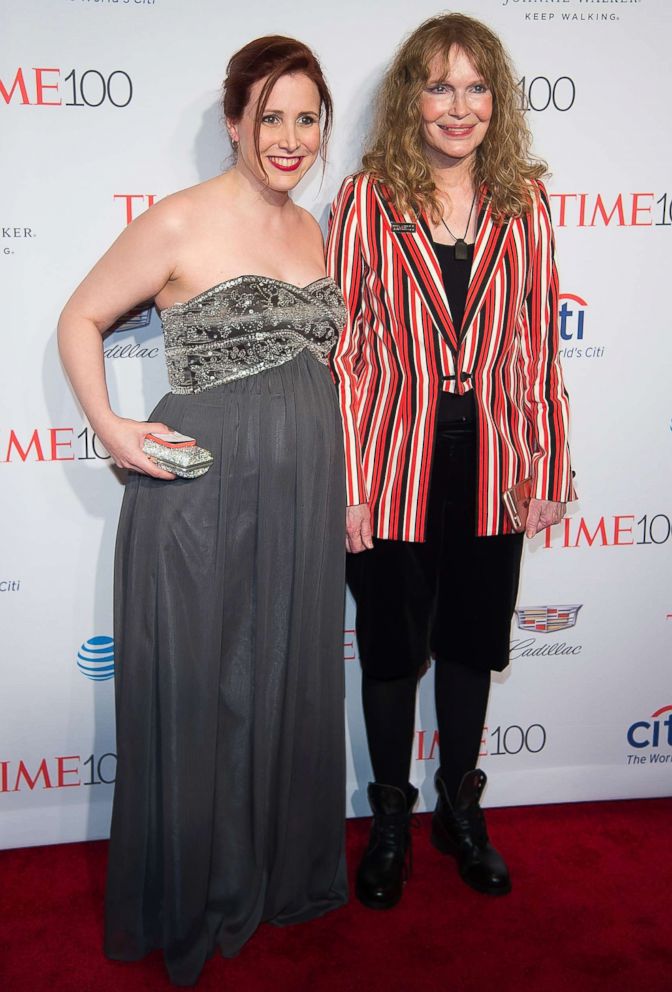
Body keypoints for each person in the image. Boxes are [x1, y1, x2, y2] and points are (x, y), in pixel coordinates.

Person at [58, 36, 347, 986]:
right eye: (271, 115)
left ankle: (272, 873)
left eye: (307, 117)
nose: (291, 137)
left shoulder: (316, 231)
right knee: (204, 695)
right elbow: (81, 317)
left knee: (282, 680)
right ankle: (196, 891)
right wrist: (111, 426)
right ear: (234, 121)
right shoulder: (179, 222)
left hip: (303, 501)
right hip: (201, 499)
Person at [327, 12, 576, 910]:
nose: (458, 106)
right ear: (411, 98)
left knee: (472, 643)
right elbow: (346, 353)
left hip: (495, 461)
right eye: (439, 85)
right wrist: (352, 480)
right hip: (394, 460)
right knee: (392, 653)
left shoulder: (527, 201)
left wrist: (547, 462)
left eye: (476, 87)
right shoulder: (364, 201)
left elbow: (538, 347)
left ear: (495, 100)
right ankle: (388, 818)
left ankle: (459, 814)